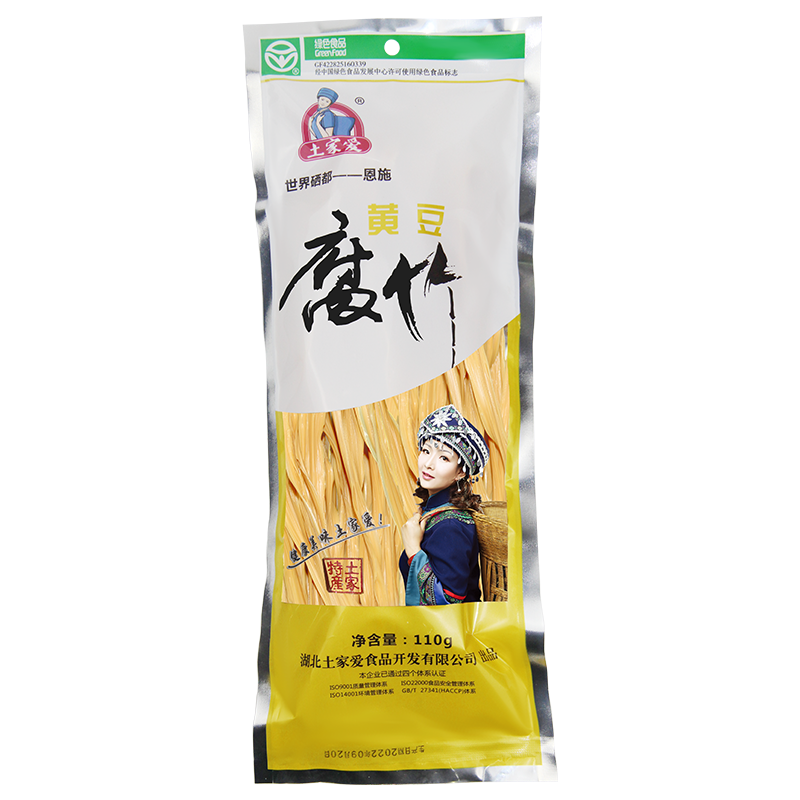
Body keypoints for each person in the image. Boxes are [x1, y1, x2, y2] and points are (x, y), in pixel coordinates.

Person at [399, 404, 490, 605]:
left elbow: (449, 601)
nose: (428, 464)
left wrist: (413, 550)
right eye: (426, 450)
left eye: (444, 458)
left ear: (461, 472)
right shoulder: (436, 512)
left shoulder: (451, 525)